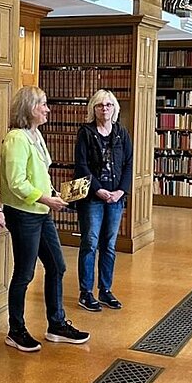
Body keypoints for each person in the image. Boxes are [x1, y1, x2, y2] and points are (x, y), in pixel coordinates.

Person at [0, 86, 91, 352]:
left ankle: (57, 324)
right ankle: (15, 330)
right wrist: (46, 199)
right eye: (43, 104)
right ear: (30, 107)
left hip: (41, 212)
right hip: (24, 213)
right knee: (24, 273)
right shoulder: (16, 138)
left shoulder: (35, 134)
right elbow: (16, 183)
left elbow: (39, 175)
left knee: (57, 266)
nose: (48, 109)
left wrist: (54, 195)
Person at [73, 89, 134, 312]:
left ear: (115, 108)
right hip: (93, 198)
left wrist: (121, 191)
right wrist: (98, 190)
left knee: (108, 245)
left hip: (116, 198)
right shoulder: (86, 133)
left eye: (108, 105)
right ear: (94, 109)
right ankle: (86, 292)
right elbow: (81, 166)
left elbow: (129, 163)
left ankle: (105, 290)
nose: (104, 109)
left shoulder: (121, 133)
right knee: (90, 243)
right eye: (100, 105)